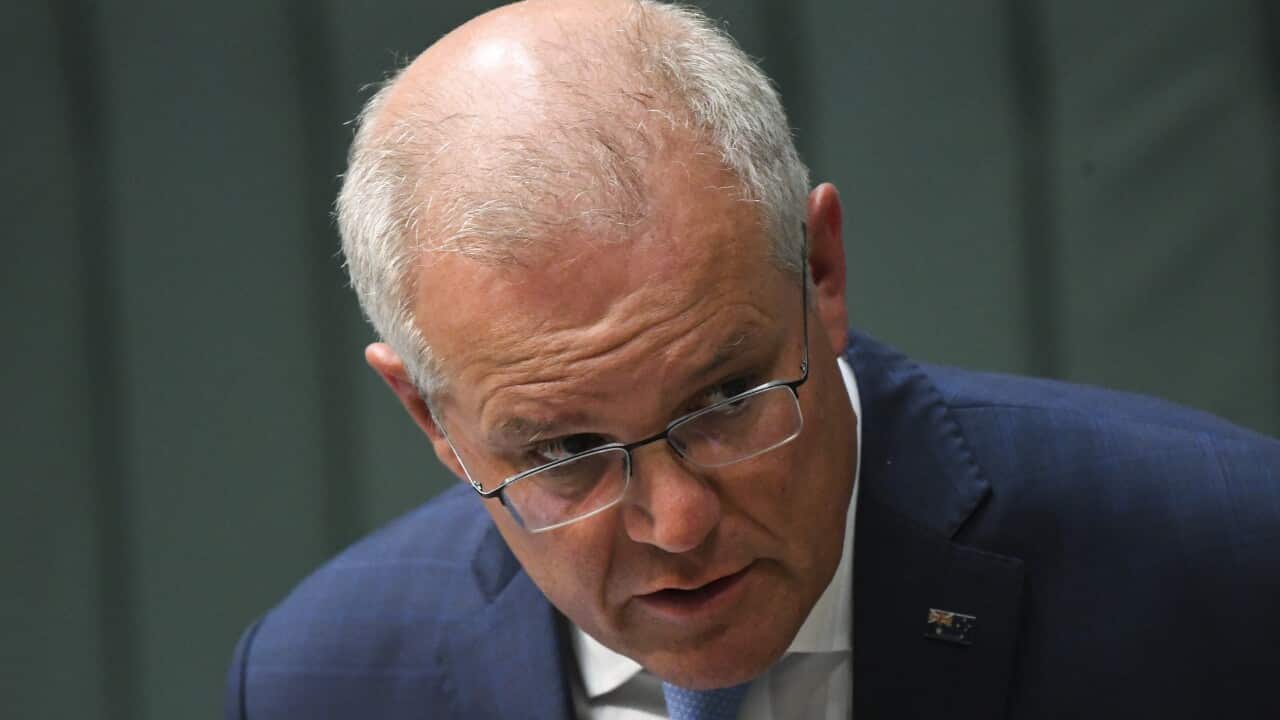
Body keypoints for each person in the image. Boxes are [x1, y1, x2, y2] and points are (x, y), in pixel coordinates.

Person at [225, 1, 1280, 718]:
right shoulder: (323, 680)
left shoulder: (1226, 560)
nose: (677, 523)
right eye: (566, 453)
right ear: (432, 423)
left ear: (818, 272)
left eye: (725, 398)